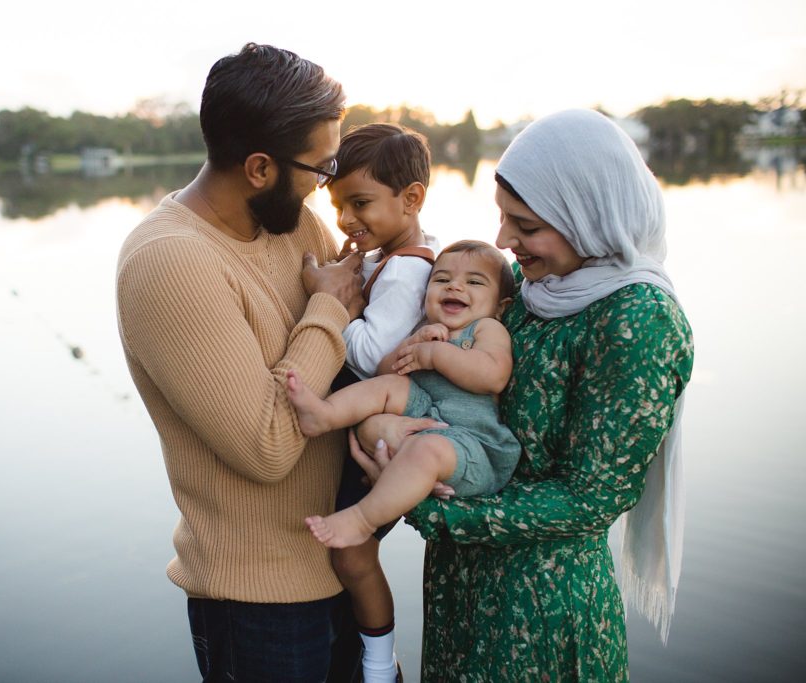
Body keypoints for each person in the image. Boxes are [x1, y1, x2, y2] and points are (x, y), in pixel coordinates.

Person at [351, 109, 694, 681]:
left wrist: (430, 503)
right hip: (460, 592)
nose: (504, 240)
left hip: (541, 610)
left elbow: (592, 498)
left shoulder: (638, 319)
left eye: (526, 225)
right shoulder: (530, 284)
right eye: (503, 218)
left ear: (587, 217)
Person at [116, 43, 380, 682]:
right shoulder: (170, 262)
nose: (327, 182)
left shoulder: (291, 226)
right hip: (256, 607)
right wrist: (327, 317)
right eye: (320, 167)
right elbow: (265, 446)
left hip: (343, 568)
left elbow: (363, 318)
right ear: (260, 167)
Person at [289, 240, 522, 545]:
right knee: (388, 388)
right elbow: (386, 371)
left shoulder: (486, 328)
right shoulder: (425, 328)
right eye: (442, 280)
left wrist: (435, 355)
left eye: (474, 282)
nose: (454, 287)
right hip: (427, 413)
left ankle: (362, 519)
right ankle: (324, 415)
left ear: (500, 306)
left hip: (472, 441)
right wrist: (411, 345)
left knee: (426, 451)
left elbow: (494, 376)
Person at [322, 122, 440, 683]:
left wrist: (326, 304)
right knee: (350, 553)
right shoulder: (387, 260)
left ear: (411, 198)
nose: (346, 219)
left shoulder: (409, 272)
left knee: (352, 552)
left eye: (360, 203)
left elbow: (370, 355)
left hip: (388, 429)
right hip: (379, 422)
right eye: (338, 204)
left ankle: (377, 666)